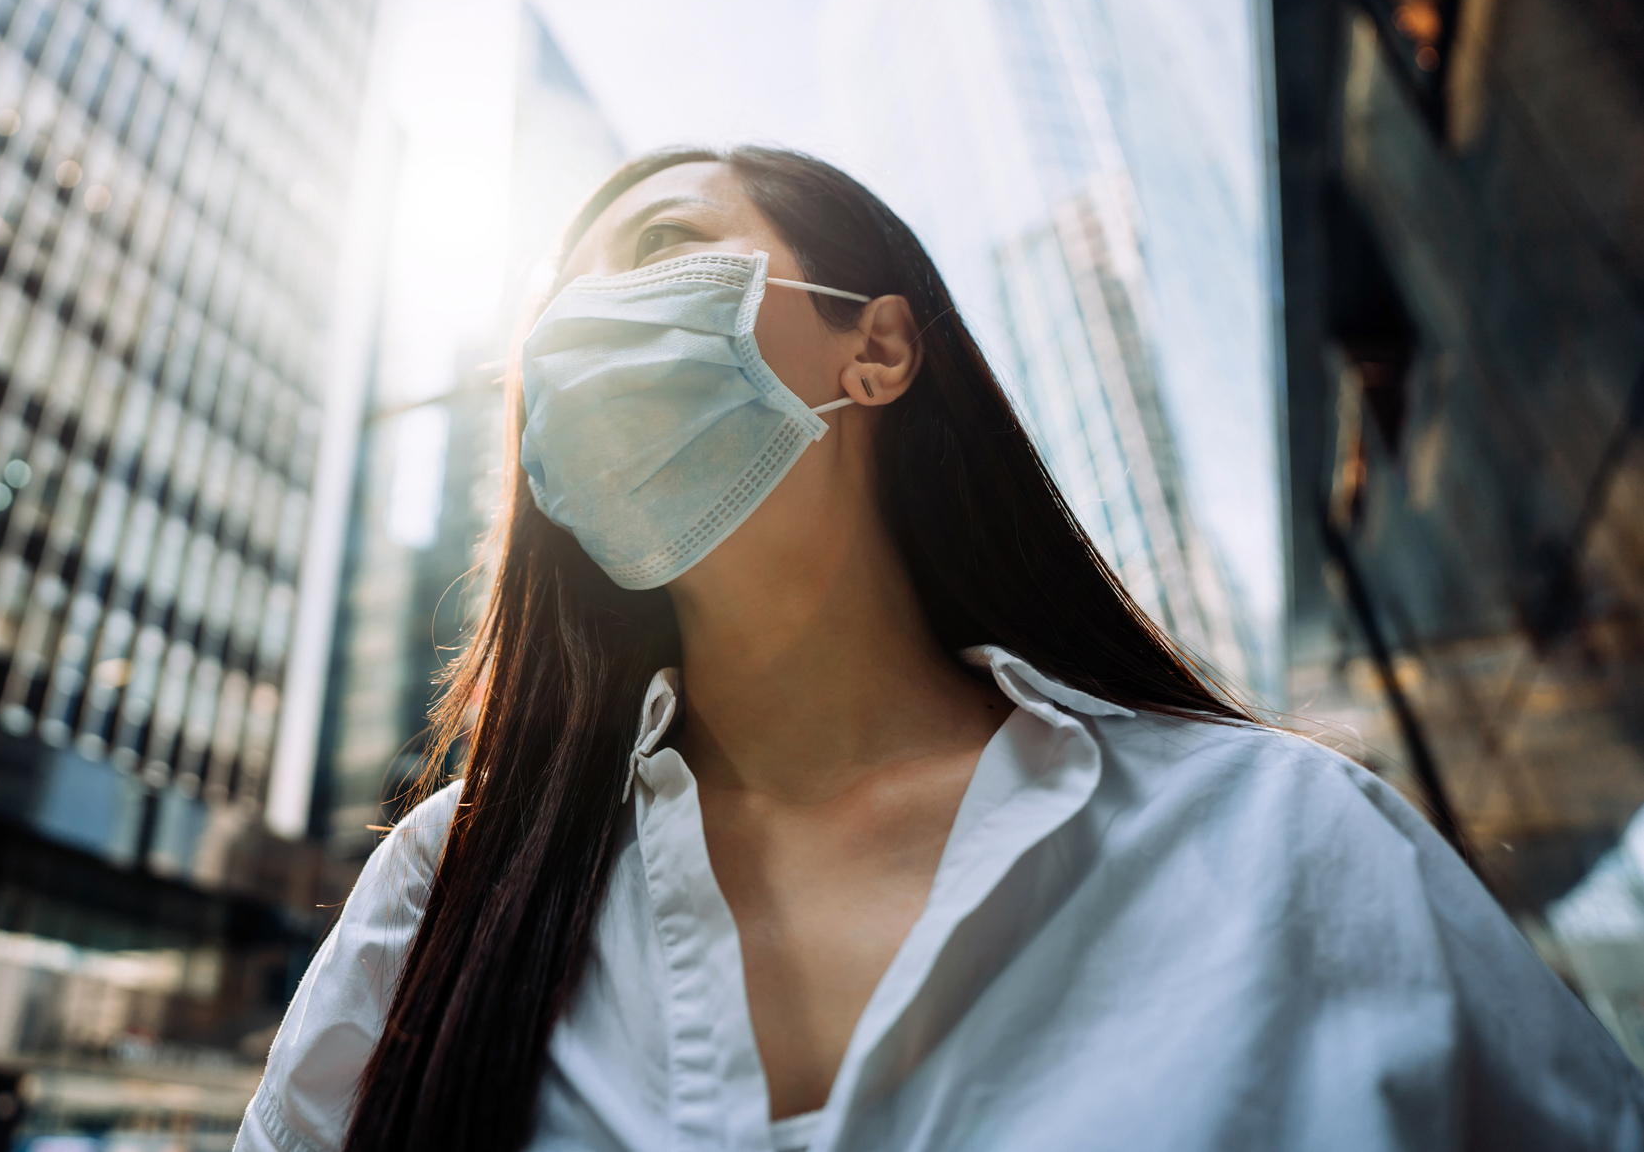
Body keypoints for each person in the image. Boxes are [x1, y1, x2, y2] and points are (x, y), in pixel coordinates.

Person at [237, 148, 1643, 1152]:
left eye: (659, 247)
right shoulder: (445, 884)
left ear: (877, 349)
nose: (584, 329)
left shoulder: (1287, 839)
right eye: (558, 304)